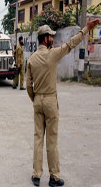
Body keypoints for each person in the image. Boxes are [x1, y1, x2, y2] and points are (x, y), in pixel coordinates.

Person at [26, 19, 99, 187]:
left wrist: (35, 98)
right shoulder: (53, 54)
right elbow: (71, 43)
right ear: (45, 39)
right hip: (51, 100)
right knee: (52, 140)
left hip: (37, 100)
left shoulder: (32, 59)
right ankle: (54, 177)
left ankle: (36, 175)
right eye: (51, 36)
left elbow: (28, 85)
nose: (53, 38)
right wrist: (86, 29)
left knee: (38, 138)